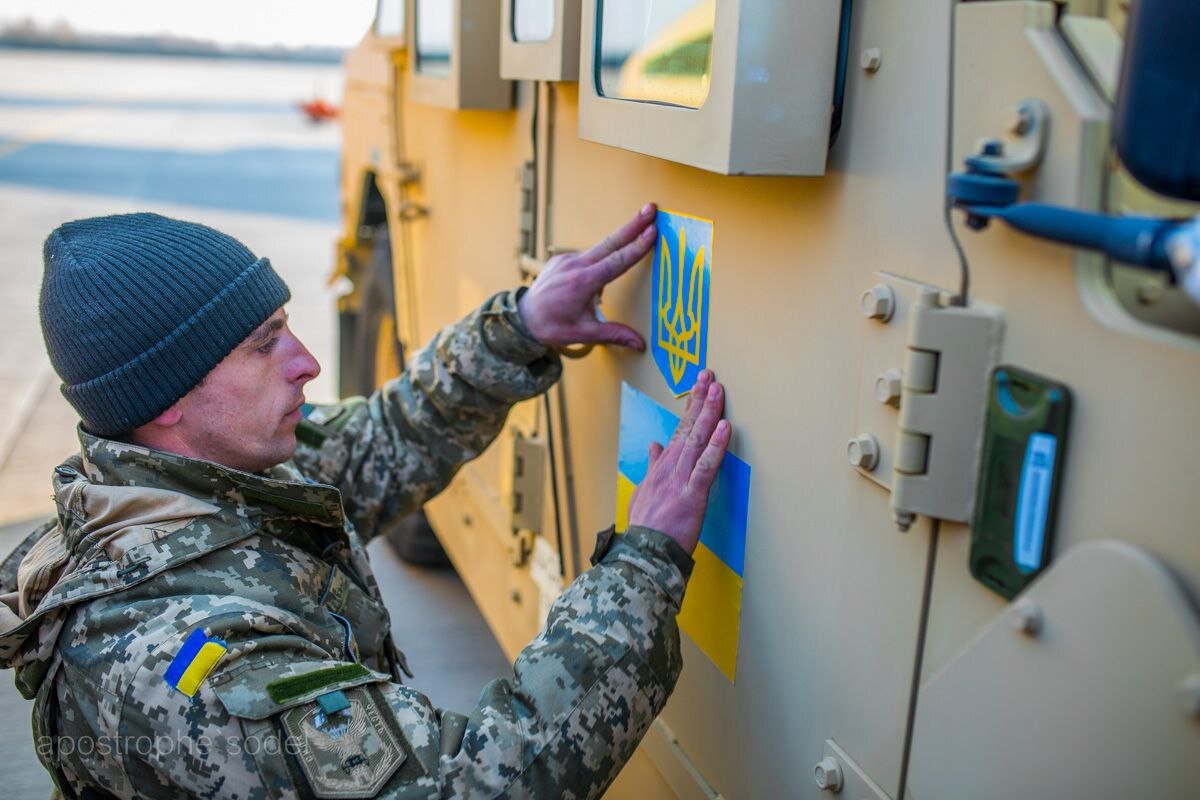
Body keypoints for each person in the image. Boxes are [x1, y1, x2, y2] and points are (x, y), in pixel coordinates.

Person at [0, 204, 731, 799]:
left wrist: (520, 328)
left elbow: (378, 440)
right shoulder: (198, 664)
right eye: (265, 344)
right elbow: (473, 785)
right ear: (167, 399)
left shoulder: (187, 482)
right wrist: (640, 570)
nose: (307, 363)